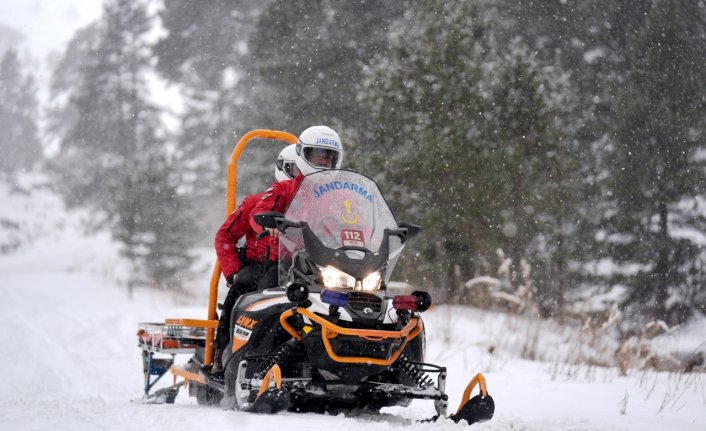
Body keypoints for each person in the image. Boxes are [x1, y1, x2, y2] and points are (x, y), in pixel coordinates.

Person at [212, 144, 299, 370]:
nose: (299, 176)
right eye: (294, 169)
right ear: (282, 168)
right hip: (259, 264)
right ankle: (223, 349)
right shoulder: (256, 203)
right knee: (244, 287)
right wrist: (231, 272)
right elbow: (225, 236)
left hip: (301, 269)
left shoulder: (315, 209)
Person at [249, 125, 344, 290]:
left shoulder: (340, 196)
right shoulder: (283, 189)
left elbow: (357, 220)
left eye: (328, 158)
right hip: (285, 263)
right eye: (317, 157)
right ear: (304, 154)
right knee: (266, 296)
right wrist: (269, 223)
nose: (323, 161)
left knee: (363, 294)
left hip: (328, 263)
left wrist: (382, 236)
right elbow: (258, 212)